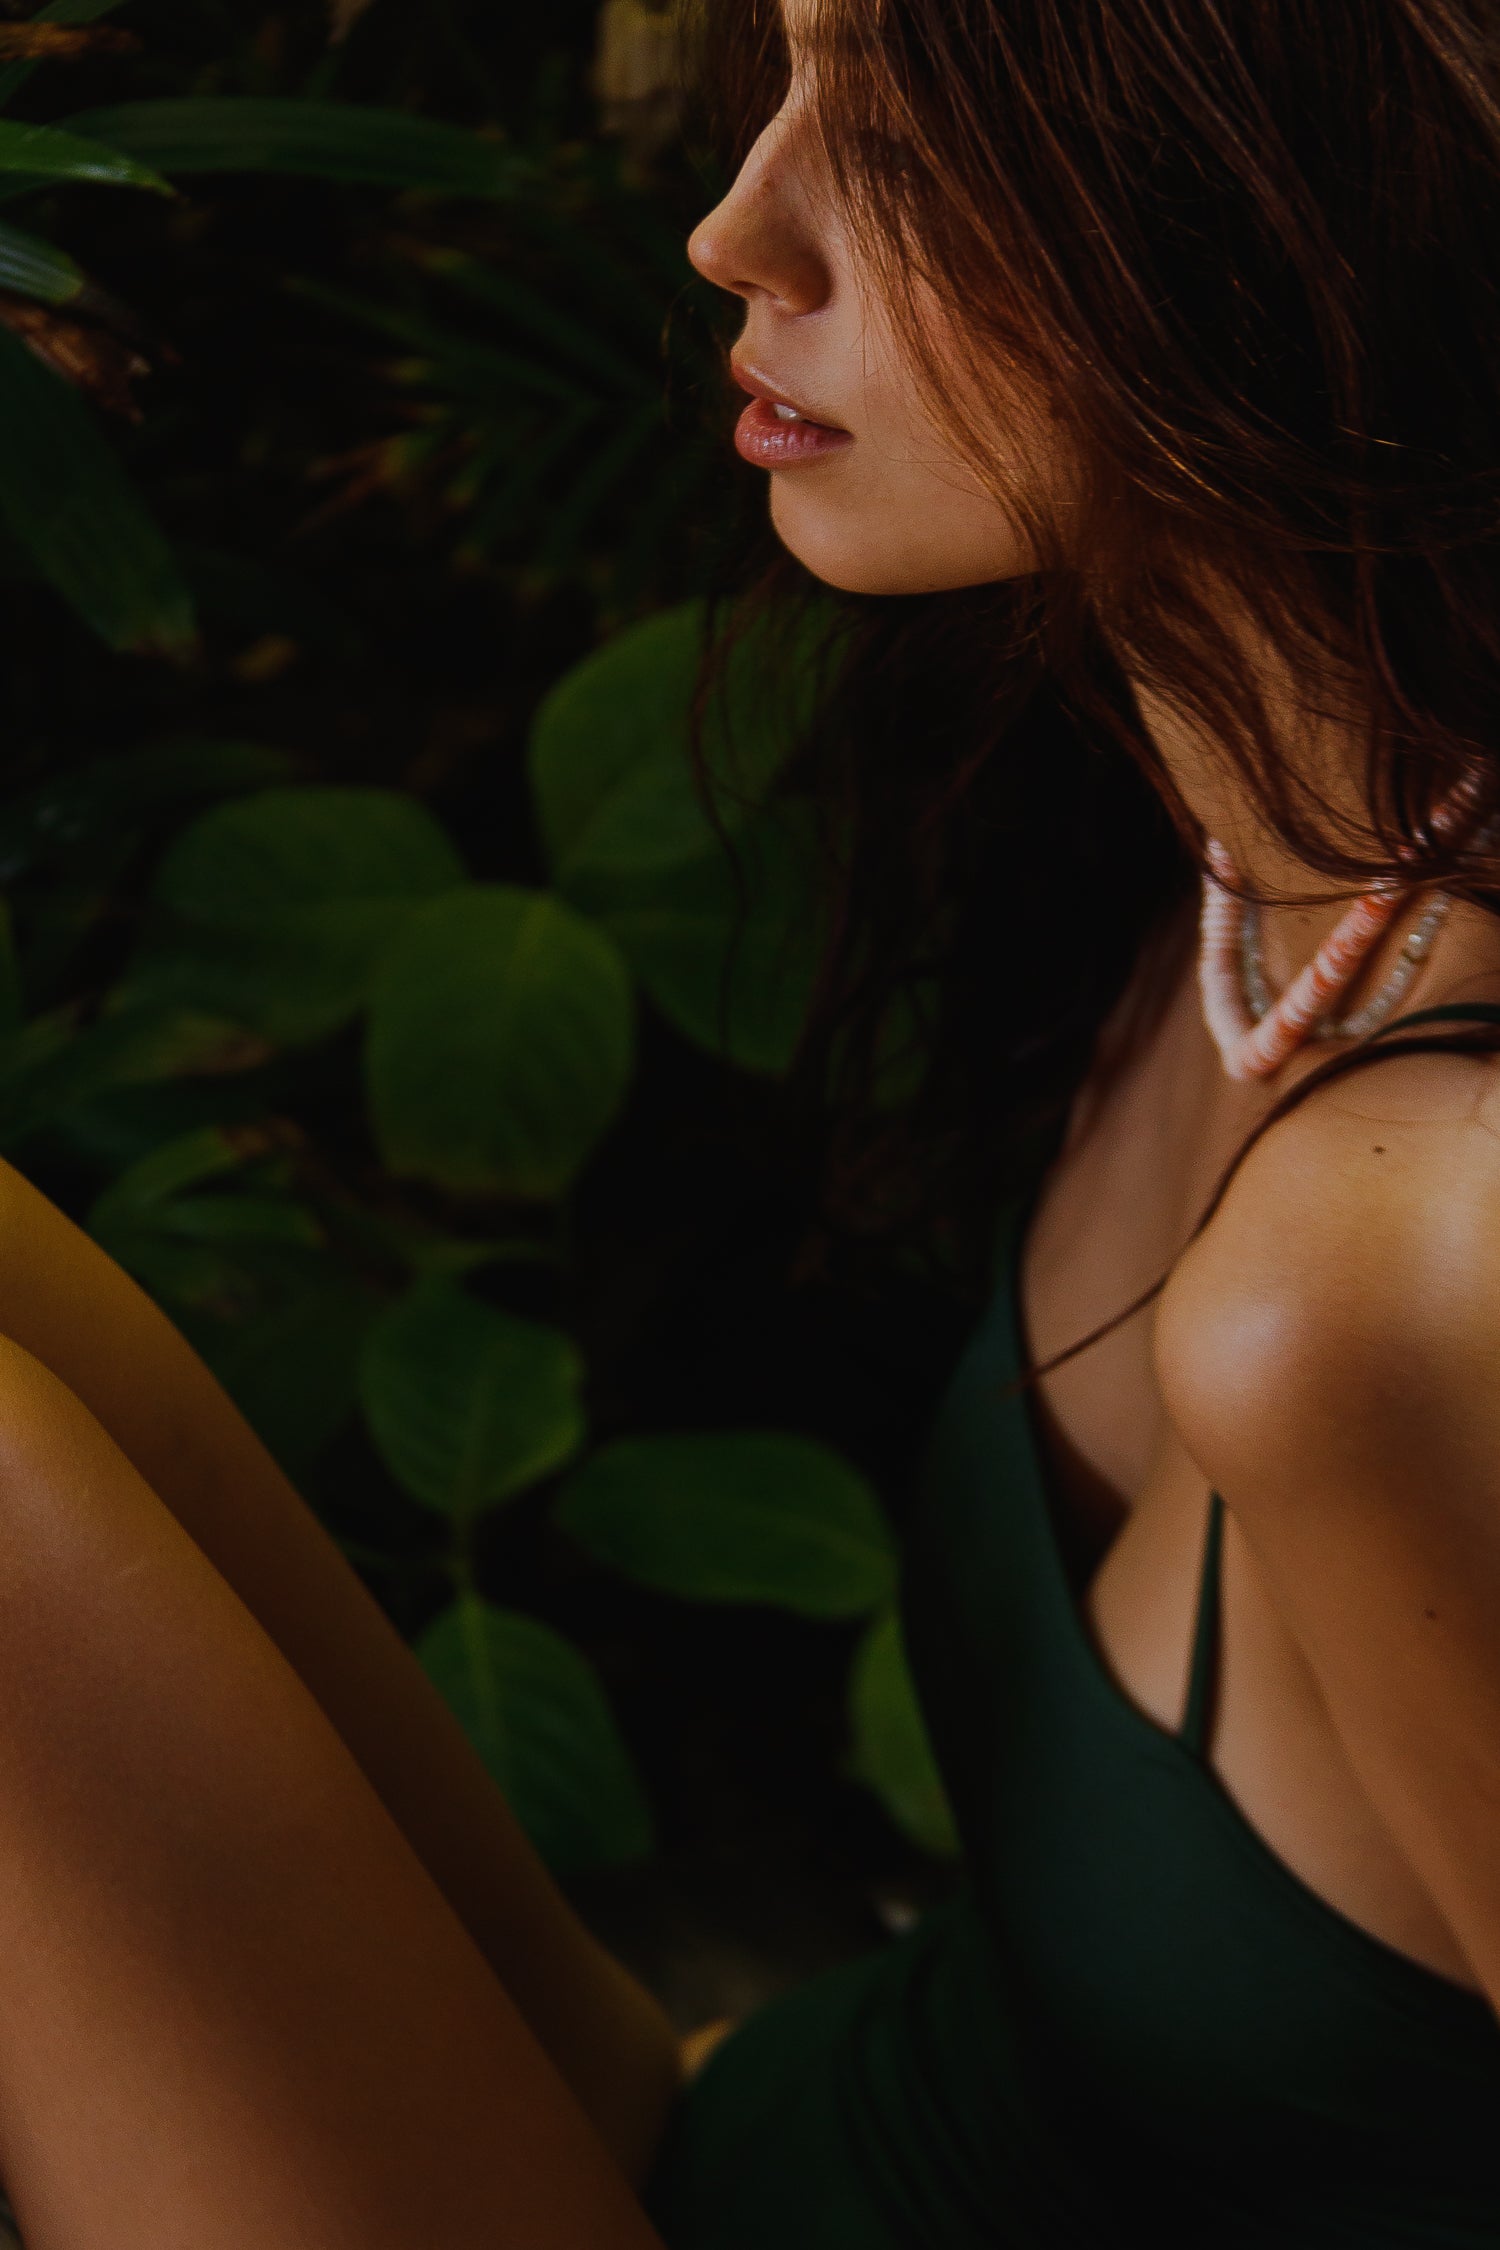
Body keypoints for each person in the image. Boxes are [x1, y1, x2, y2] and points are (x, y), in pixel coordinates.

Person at [0, 0, 1495, 2242]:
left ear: (1312, 214)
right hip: (743, 2134)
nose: (732, 229)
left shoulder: (1416, 1269)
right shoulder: (1245, 861)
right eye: (784, 80)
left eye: (901, 147)